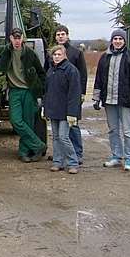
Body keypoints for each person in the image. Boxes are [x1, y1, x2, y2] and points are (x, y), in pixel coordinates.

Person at [0, 28, 46, 162]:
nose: (17, 41)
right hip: (14, 90)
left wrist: (40, 91)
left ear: (22, 38)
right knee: (16, 120)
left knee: (28, 122)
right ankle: (39, 145)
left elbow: (41, 73)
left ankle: (24, 152)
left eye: (19, 38)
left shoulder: (30, 53)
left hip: (29, 91)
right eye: (15, 38)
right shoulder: (6, 50)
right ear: (11, 38)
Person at [93, 28, 130, 172]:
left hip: (125, 101)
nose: (118, 41)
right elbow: (99, 79)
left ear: (124, 40)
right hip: (109, 101)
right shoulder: (105, 57)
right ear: (112, 40)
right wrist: (96, 98)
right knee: (113, 130)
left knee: (128, 131)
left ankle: (129, 158)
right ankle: (116, 156)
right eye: (115, 38)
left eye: (120, 39)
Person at [44, 25, 87, 164]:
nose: (60, 36)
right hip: (56, 97)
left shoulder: (76, 53)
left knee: (72, 126)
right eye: (58, 34)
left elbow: (83, 74)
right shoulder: (51, 53)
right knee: (58, 133)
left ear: (67, 35)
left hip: (72, 95)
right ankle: (60, 156)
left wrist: (82, 93)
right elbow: (47, 73)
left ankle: (77, 154)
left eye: (63, 34)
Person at [43, 45, 81, 174]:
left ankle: (73, 162)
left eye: (59, 54)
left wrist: (72, 113)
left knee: (64, 137)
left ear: (64, 55)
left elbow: (74, 94)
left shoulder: (71, 70)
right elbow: (47, 91)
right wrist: (45, 108)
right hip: (53, 110)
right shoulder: (51, 70)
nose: (57, 57)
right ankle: (57, 162)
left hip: (66, 111)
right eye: (55, 55)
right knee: (55, 137)